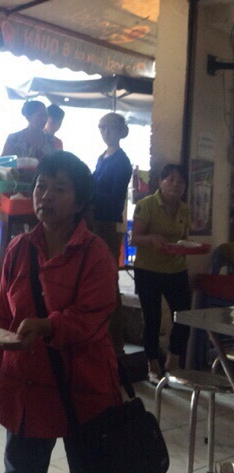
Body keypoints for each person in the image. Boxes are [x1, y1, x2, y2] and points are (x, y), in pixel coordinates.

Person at [0, 151, 121, 473]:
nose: (46, 195)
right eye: (41, 186)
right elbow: (4, 321)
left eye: (60, 189)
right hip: (26, 391)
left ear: (79, 202)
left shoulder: (96, 254)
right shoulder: (18, 249)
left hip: (83, 393)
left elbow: (92, 318)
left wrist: (47, 326)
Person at [131, 163, 191, 383]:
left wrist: (187, 247)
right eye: (170, 179)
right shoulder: (147, 205)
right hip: (148, 270)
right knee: (153, 318)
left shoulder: (184, 209)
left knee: (184, 316)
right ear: (160, 182)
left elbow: (183, 238)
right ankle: (152, 363)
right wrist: (151, 239)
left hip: (176, 269)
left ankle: (173, 362)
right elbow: (134, 239)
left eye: (180, 181)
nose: (176, 185)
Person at [91, 112, 133, 355]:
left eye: (109, 128)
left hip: (106, 226)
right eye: (102, 128)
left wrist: (89, 193)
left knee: (108, 282)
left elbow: (115, 202)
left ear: (119, 131)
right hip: (94, 223)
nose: (105, 133)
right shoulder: (102, 157)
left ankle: (116, 342)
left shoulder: (122, 162)